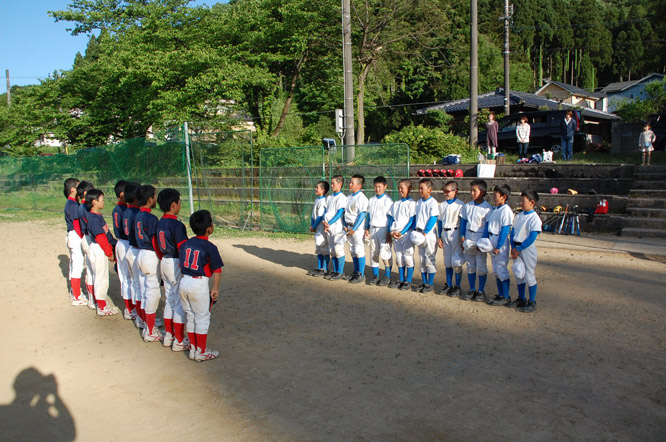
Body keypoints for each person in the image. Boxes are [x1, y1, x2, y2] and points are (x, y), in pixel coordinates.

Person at [179, 210, 224, 362]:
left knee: (191, 316)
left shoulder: (186, 244)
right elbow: (217, 270)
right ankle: (201, 352)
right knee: (202, 317)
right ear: (208, 228)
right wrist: (215, 288)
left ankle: (194, 349)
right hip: (198, 284)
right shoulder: (209, 247)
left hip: (184, 281)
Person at [156, 188, 189, 351]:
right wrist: (185, 267)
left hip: (164, 261)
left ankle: (169, 336)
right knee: (178, 302)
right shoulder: (177, 225)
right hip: (176, 262)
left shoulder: (160, 222)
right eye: (180, 202)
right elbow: (182, 247)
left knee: (169, 299)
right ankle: (180, 340)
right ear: (174, 205)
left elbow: (156, 244)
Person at [134, 184, 163, 342]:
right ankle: (150, 331)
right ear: (150, 199)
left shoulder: (138, 215)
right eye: (155, 196)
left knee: (145, 291)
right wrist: (161, 257)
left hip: (140, 253)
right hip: (150, 255)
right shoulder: (151, 218)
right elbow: (154, 240)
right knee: (153, 292)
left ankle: (147, 324)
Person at [85, 189, 119, 316]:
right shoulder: (93, 218)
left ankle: (98, 302)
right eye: (101, 200)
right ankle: (102, 306)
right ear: (94, 202)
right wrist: (109, 252)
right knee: (101, 277)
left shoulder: (96, 216)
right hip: (99, 248)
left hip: (98, 247)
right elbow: (100, 237)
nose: (103, 202)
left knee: (98, 276)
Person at [509, 190, 542, 313]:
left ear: (532, 202)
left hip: (527, 249)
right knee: (519, 273)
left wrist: (519, 248)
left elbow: (532, 237)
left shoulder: (534, 218)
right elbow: (513, 233)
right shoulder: (519, 216)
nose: (521, 203)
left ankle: (532, 300)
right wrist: (513, 246)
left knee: (529, 275)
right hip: (517, 247)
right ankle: (521, 298)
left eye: (524, 201)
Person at [460, 179, 492, 302]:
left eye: (475, 190)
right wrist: (462, 236)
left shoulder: (487, 208)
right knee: (470, 265)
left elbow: (487, 226)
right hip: (469, 236)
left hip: (479, 238)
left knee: (481, 265)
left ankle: (481, 290)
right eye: (471, 190)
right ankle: (472, 289)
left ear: (483, 192)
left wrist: (482, 241)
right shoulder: (468, 206)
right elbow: (464, 222)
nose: (472, 193)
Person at [484, 184, 515, 306]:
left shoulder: (506, 210)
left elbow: (505, 229)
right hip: (492, 238)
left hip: (499, 240)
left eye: (496, 195)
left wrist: (499, 246)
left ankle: (506, 296)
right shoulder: (495, 209)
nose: (494, 197)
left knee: (501, 269)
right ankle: (501, 294)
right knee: (496, 270)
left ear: (504, 197)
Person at [436, 180, 465, 297]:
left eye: (448, 191)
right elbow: (440, 221)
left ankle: (457, 286)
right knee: (447, 260)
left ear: (455, 191)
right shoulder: (442, 205)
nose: (446, 194)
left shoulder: (460, 205)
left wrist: (463, 236)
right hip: (446, 232)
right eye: (444, 191)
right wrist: (439, 236)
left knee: (457, 261)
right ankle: (448, 284)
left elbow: (463, 221)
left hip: (455, 232)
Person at [387, 179, 416, 291]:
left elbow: (412, 220)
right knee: (399, 257)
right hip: (396, 234)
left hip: (406, 234)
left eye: (402, 188)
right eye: (399, 188)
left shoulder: (411, 203)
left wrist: (402, 232)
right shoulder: (396, 204)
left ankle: (408, 280)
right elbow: (391, 218)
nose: (400, 190)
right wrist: (391, 231)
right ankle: (400, 279)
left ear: (409, 189)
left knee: (408, 257)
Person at [365, 176, 393, 286]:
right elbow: (369, 215)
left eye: (380, 187)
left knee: (385, 252)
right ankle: (375, 275)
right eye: (376, 187)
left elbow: (390, 218)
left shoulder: (388, 201)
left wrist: (389, 232)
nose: (377, 189)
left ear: (385, 187)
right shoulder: (371, 200)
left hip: (383, 228)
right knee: (373, 253)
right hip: (373, 228)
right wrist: (366, 228)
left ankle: (387, 276)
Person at [63, 177, 87, 306]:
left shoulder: (72, 203)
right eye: (78, 186)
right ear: (72, 189)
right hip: (75, 235)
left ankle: (75, 292)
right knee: (77, 265)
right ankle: (77, 296)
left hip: (72, 235)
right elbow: (77, 224)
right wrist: (83, 237)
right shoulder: (72, 204)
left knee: (74, 264)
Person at [121, 182, 142, 326]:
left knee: (135, 283)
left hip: (129, 246)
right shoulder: (136, 213)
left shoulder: (126, 210)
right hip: (136, 248)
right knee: (139, 285)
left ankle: (137, 314)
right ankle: (141, 318)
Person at [413, 178, 439, 293]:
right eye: (419, 188)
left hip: (428, 234)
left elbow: (433, 218)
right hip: (419, 233)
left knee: (429, 258)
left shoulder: (432, 202)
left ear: (429, 190)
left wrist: (425, 231)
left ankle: (430, 283)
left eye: (422, 188)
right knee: (422, 259)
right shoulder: (418, 202)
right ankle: (424, 282)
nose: (420, 191)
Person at [111, 180, 132, 319]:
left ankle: (129, 309)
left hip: (120, 243)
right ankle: (132, 309)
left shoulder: (116, 209)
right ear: (123, 194)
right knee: (131, 279)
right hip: (127, 243)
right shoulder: (127, 210)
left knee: (124, 278)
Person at [344, 174, 369, 284]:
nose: (349, 184)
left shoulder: (362, 198)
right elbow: (346, 213)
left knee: (359, 250)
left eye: (352, 183)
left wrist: (354, 228)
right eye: (350, 182)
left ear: (359, 186)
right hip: (348, 226)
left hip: (357, 228)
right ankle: (356, 271)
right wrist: (345, 225)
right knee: (352, 250)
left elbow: (362, 214)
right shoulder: (349, 197)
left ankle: (361, 274)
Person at [323, 175, 347, 280]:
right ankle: (335, 270)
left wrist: (329, 222)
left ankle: (340, 272)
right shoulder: (330, 197)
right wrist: (325, 222)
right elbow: (326, 211)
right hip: (329, 227)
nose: (331, 185)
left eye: (333, 183)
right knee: (332, 249)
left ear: (340, 184)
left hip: (337, 226)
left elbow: (339, 213)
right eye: (331, 183)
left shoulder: (342, 197)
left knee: (338, 249)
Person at [76, 180, 95, 309]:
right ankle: (93, 300)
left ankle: (91, 299)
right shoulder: (85, 207)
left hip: (84, 237)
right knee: (92, 271)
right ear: (85, 193)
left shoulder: (81, 206)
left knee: (90, 269)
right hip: (88, 238)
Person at [307, 180, 330, 277]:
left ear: (323, 190)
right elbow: (313, 214)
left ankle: (324, 268)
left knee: (324, 247)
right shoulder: (317, 200)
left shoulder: (324, 201)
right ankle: (319, 267)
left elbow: (320, 216)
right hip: (316, 226)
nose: (316, 189)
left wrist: (315, 226)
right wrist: (312, 225)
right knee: (318, 248)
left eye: (318, 188)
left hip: (321, 226)